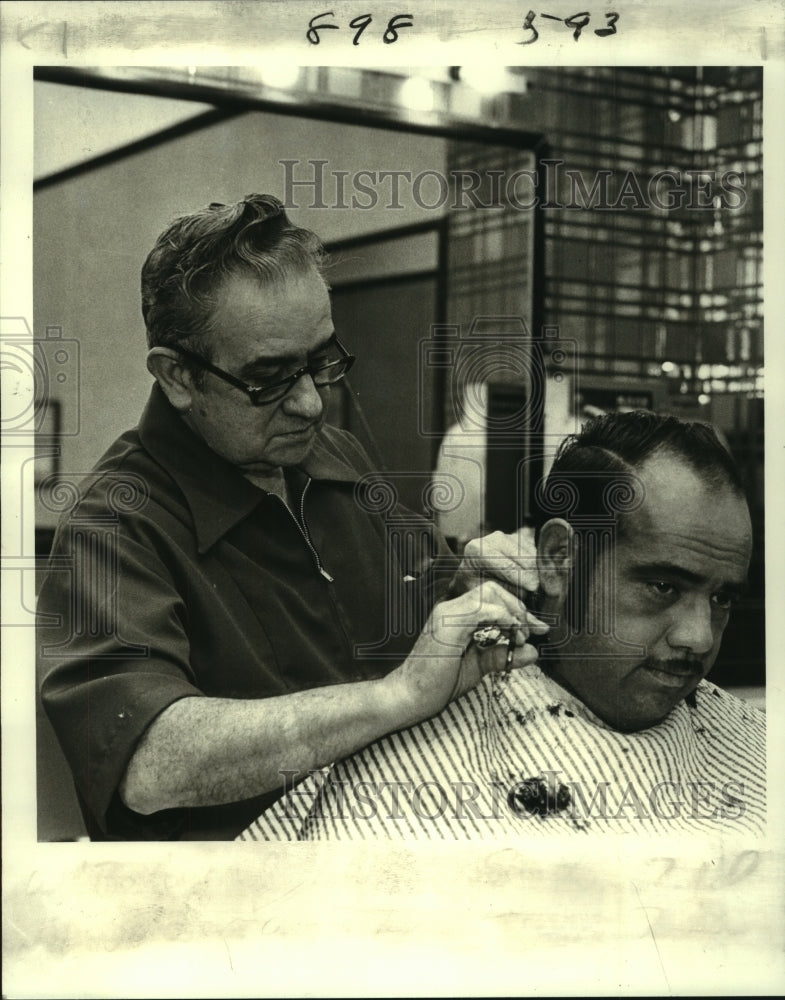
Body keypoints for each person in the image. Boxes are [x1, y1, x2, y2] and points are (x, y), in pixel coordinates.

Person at [36, 194, 546, 840]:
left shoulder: (337, 457)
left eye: (320, 362)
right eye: (269, 378)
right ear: (177, 377)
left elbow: (426, 599)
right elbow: (150, 762)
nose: (309, 404)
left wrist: (471, 587)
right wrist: (395, 697)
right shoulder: (116, 526)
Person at [240, 411, 766, 839]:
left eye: (721, 597)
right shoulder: (413, 772)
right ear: (560, 558)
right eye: (663, 587)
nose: (700, 636)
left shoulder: (756, 744)